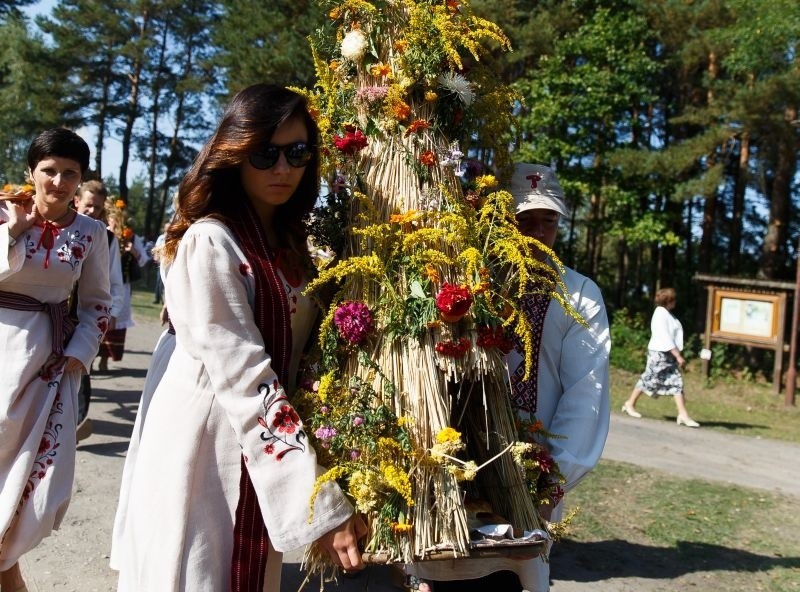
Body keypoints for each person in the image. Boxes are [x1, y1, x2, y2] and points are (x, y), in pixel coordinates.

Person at [113, 84, 366, 591]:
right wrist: (317, 495)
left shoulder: (296, 243)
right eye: (264, 153)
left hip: (257, 442)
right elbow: (246, 375)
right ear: (234, 153)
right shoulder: (212, 240)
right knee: (199, 570)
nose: (282, 169)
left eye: (297, 152)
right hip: (208, 441)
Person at [406, 163, 611, 592]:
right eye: (525, 220)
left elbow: (584, 395)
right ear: (504, 223)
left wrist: (550, 477)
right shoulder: (473, 286)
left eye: (548, 220)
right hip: (457, 464)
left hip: (534, 471)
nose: (537, 233)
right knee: (444, 570)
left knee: (517, 572)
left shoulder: (579, 295)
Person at [0, 128, 111, 592]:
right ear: (31, 172)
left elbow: (97, 305)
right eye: (49, 170)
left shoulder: (92, 233)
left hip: (44, 362)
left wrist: (77, 356)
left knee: (22, 477)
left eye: (71, 173)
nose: (59, 181)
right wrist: (16, 230)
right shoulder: (3, 214)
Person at [72, 180, 125, 440]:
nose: (92, 212)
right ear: (77, 201)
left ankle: (77, 424)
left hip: (85, 314)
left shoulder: (107, 237)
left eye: (98, 208)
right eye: (88, 205)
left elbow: (113, 279)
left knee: (82, 366)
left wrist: (112, 312)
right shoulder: (56, 226)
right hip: (51, 312)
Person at [622, 287, 699, 427]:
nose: (675, 302)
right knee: (648, 379)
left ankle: (683, 415)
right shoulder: (660, 314)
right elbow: (665, 337)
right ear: (669, 301)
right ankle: (629, 403)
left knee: (676, 382)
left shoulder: (666, 314)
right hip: (659, 353)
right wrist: (678, 356)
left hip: (667, 354)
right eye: (673, 299)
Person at [97, 211, 149, 372]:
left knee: (115, 322)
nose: (113, 223)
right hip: (99, 284)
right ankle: (90, 359)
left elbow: (144, 260)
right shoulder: (101, 233)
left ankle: (105, 359)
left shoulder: (131, 238)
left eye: (117, 220)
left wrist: (133, 251)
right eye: (111, 219)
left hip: (121, 286)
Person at [151, 221, 168, 304]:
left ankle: (165, 300)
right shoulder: (161, 238)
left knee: (165, 282)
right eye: (166, 227)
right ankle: (157, 298)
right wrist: (156, 257)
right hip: (160, 262)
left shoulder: (171, 237)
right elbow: (156, 248)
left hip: (168, 262)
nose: (167, 228)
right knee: (159, 282)